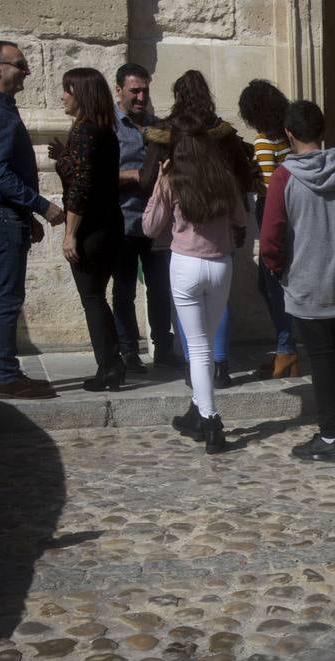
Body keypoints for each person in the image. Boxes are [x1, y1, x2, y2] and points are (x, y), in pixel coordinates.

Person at [260, 100, 335, 464]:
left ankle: (329, 436)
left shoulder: (285, 177)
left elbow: (272, 236)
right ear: (323, 132)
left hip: (308, 284)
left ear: (289, 134)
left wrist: (278, 270)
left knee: (322, 362)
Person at [141, 70, 254, 389]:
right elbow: (244, 176)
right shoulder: (222, 132)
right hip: (221, 229)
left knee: (185, 302)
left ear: (178, 96)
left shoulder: (164, 133)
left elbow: (149, 175)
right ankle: (220, 364)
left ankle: (195, 368)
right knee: (218, 304)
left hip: (177, 231)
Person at [143, 113, 247, 454]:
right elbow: (240, 218)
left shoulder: (172, 177)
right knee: (206, 342)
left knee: (198, 348)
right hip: (220, 264)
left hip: (186, 265)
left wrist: (159, 183)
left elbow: (150, 226)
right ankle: (196, 411)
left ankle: (211, 419)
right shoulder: (223, 176)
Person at [0, 41, 65, 399]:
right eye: (20, 65)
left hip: (7, 214)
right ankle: (6, 376)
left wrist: (27, 214)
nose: (26, 71)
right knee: (6, 300)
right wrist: (42, 206)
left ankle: (7, 373)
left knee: (6, 297)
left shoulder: (1, 107)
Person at [49, 68, 125, 392]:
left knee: (92, 298)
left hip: (91, 228)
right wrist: (63, 156)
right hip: (110, 224)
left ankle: (108, 368)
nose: (63, 96)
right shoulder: (102, 130)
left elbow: (80, 188)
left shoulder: (85, 132)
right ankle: (112, 364)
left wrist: (70, 233)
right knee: (98, 298)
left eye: (67, 90)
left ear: (81, 94)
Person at [110, 63, 179, 374]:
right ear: (119, 91)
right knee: (124, 289)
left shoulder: (157, 127)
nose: (140, 97)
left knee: (160, 288)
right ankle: (128, 352)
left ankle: (163, 349)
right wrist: (135, 176)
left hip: (156, 223)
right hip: (123, 221)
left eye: (145, 91)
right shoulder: (108, 126)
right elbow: (97, 175)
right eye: (134, 90)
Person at [239, 79, 297, 378]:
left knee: (271, 283)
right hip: (293, 214)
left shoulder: (263, 142)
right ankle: (287, 347)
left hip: (271, 214)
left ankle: (287, 350)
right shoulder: (288, 139)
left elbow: (267, 183)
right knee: (278, 283)